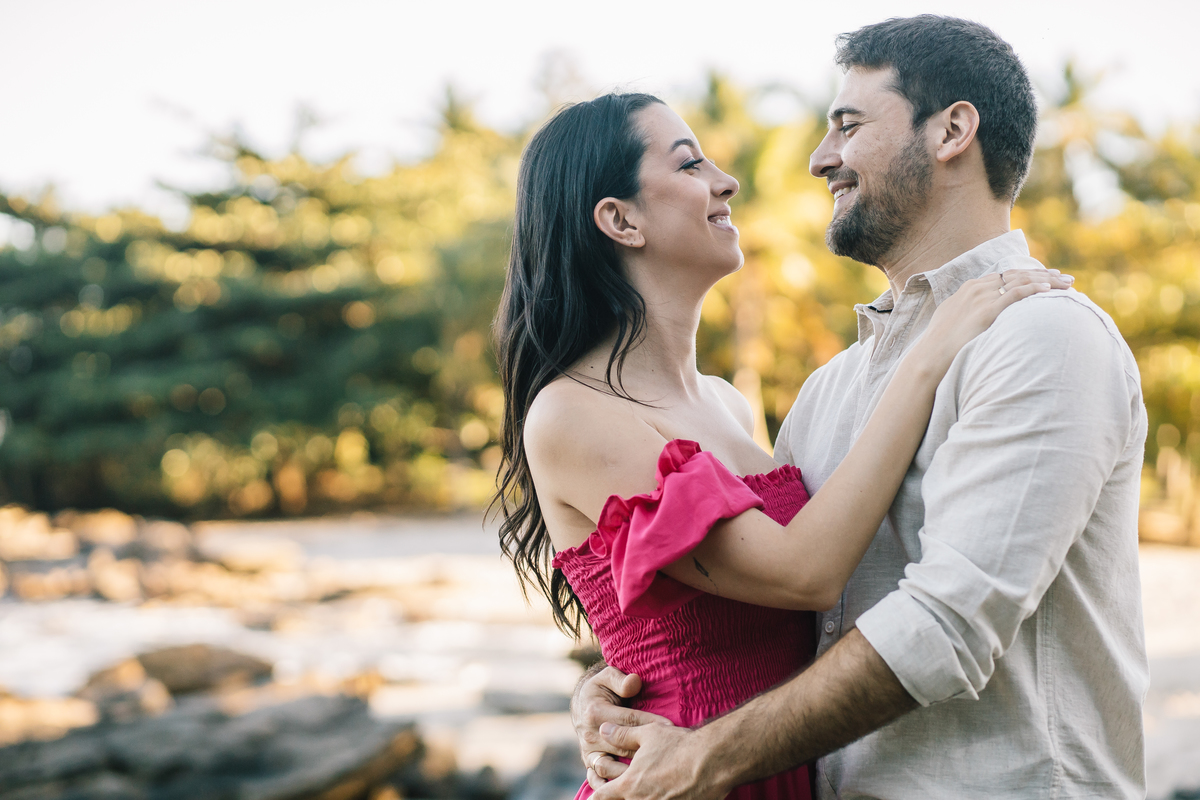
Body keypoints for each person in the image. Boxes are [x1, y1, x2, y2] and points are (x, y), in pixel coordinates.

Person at [573, 15, 1149, 800]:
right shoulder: (827, 391)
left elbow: (947, 627)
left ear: (952, 130)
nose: (819, 159)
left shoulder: (1043, 336)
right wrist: (619, 686)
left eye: (847, 125)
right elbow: (775, 614)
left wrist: (702, 756)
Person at [492, 85, 1070, 800]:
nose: (725, 181)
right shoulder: (571, 414)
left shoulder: (730, 406)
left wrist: (593, 689)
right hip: (686, 780)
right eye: (689, 165)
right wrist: (930, 352)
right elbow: (805, 574)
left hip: (766, 768)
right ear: (619, 220)